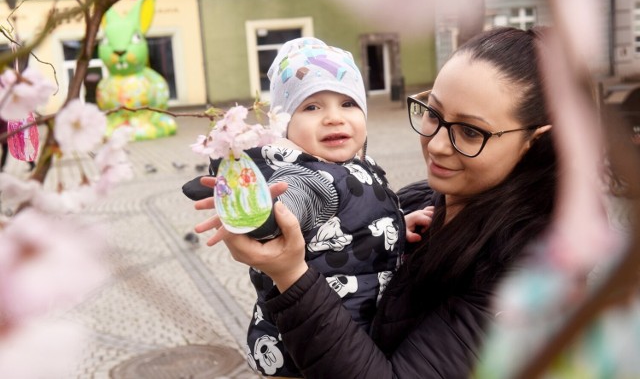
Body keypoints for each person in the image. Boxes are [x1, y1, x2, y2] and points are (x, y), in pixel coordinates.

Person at [193, 26, 558, 377]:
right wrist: (397, 225)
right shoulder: (422, 199)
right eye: (433, 113)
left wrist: (290, 276)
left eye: (470, 131)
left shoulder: (525, 272)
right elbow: (309, 200)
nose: (435, 145)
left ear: (535, 140)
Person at [183, 37, 433, 377]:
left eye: (347, 104)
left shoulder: (357, 165)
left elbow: (351, 223)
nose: (333, 118)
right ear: (286, 126)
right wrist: (261, 212)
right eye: (312, 107)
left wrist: (399, 223)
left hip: (351, 330)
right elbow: (295, 201)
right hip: (311, 343)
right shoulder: (307, 174)